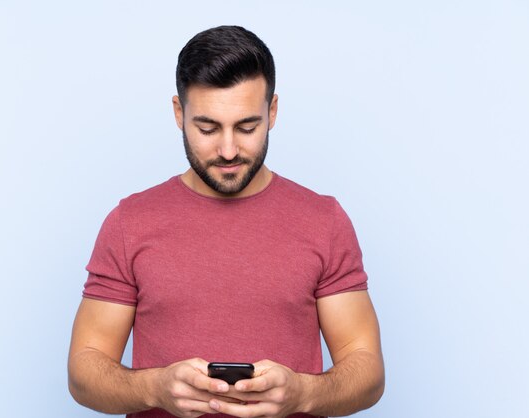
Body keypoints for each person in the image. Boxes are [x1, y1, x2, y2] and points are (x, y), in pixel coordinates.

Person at [68, 25, 384, 418]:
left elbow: (367, 371)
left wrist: (303, 393)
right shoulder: (129, 222)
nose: (229, 149)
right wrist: (154, 387)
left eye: (247, 127)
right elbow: (84, 372)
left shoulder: (325, 220)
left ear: (272, 112)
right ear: (178, 113)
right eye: (208, 128)